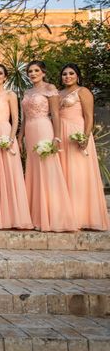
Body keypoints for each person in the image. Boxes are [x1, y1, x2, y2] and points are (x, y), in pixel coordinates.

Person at [20, 60, 77, 232]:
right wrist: (20, 136)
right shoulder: (27, 91)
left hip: (44, 128)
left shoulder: (50, 88)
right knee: (33, 170)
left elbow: (56, 115)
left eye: (36, 70)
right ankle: (35, 216)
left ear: (43, 72)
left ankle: (54, 217)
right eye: (30, 71)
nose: (33, 73)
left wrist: (57, 137)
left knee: (48, 169)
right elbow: (24, 118)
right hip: (29, 130)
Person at [0, 64, 33, 229]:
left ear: (5, 77)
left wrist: (11, 139)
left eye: (0, 73)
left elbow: (16, 119)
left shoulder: (10, 94)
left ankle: (14, 217)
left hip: (5, 131)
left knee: (9, 172)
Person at [58, 63, 108, 230]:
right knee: (64, 174)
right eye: (64, 74)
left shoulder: (83, 92)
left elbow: (88, 117)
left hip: (76, 133)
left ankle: (82, 217)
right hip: (62, 135)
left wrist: (85, 137)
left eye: (71, 73)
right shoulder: (59, 93)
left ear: (77, 76)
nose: (67, 76)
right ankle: (67, 216)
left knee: (78, 173)